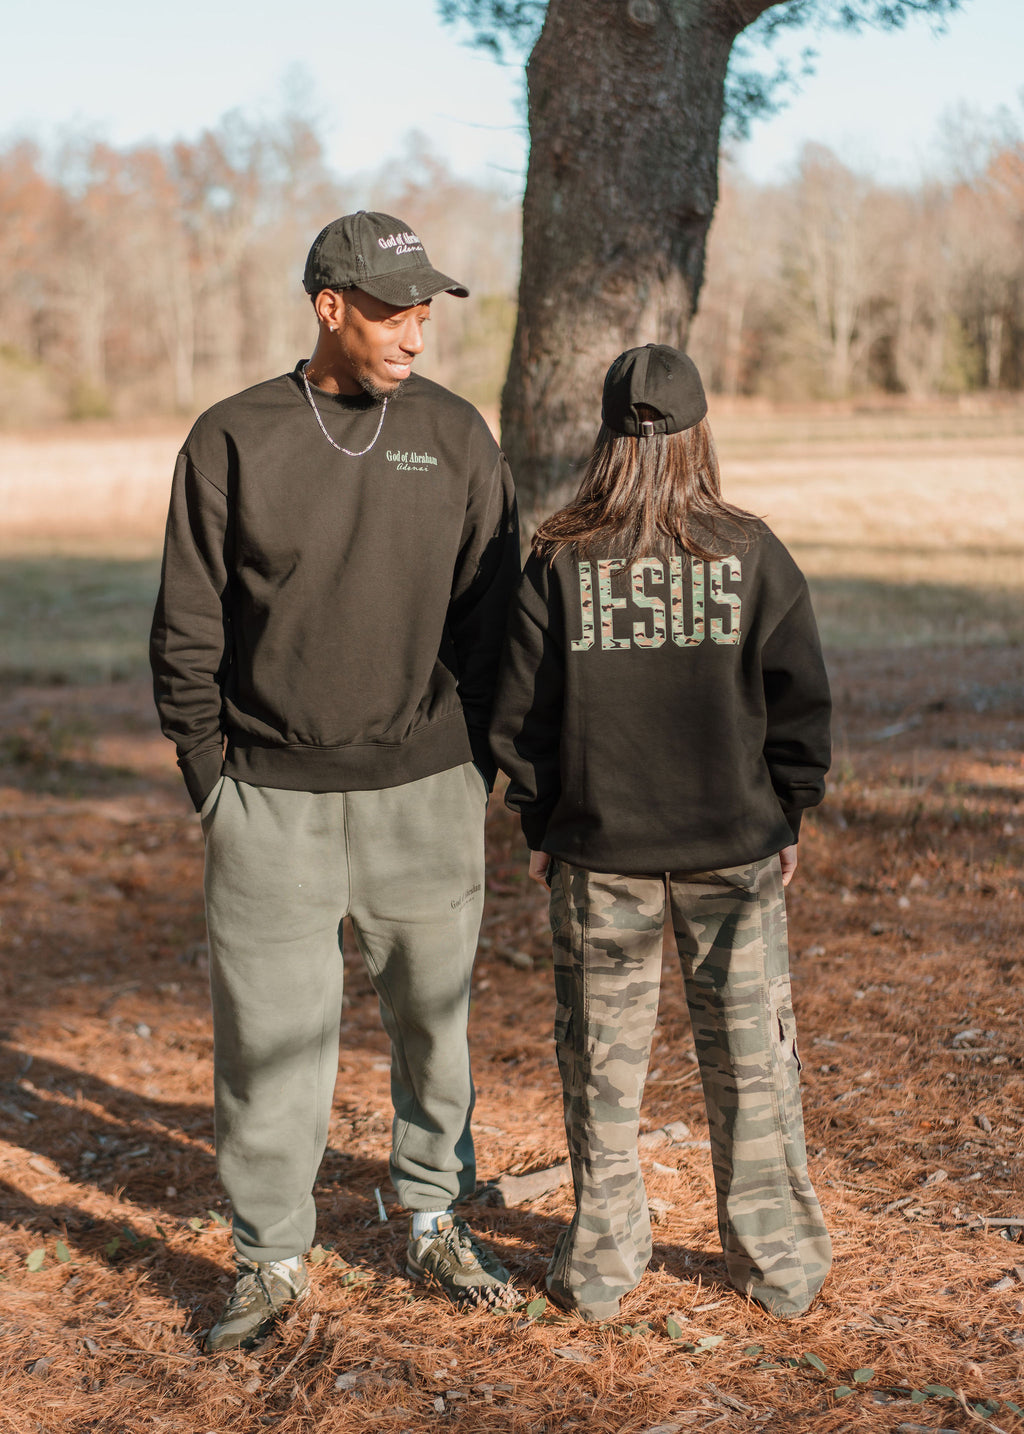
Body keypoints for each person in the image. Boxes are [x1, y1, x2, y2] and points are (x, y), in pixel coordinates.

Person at [150, 211, 521, 1352]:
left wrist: (471, 765)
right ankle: (269, 1259)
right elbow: (188, 624)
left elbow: (494, 617)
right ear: (329, 307)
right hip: (268, 802)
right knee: (268, 1047)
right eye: (394, 312)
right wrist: (213, 779)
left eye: (425, 313)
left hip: (425, 792)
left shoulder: (455, 434)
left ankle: (433, 1217)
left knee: (435, 1032)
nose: (415, 334)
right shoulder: (233, 437)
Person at [490, 344, 832, 1322]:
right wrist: (787, 810)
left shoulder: (559, 557)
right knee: (754, 1065)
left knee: (600, 1067)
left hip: (601, 856)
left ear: (608, 438)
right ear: (698, 434)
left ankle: (600, 1271)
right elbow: (801, 700)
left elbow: (520, 715)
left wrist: (540, 816)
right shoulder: (751, 551)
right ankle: (779, 1267)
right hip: (732, 848)